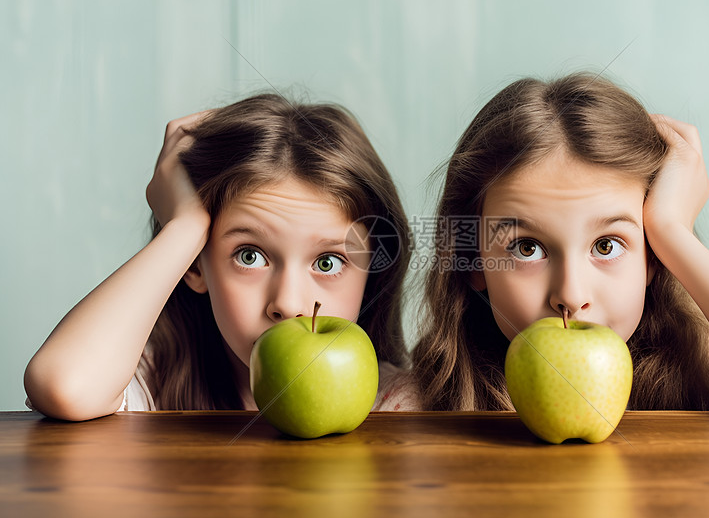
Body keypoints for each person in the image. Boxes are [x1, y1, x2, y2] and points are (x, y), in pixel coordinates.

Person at [410, 72, 709, 428]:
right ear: (472, 262)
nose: (570, 294)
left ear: (652, 260)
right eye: (526, 248)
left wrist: (671, 231)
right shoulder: (417, 402)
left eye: (607, 245)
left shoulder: (703, 372)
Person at [25, 93, 420, 420]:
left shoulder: (396, 405)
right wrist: (184, 228)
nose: (288, 303)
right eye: (249, 256)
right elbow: (64, 384)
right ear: (196, 264)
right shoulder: (149, 385)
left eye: (327, 262)